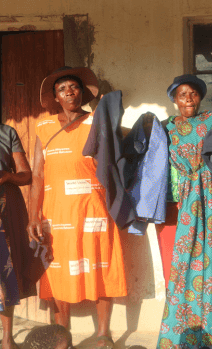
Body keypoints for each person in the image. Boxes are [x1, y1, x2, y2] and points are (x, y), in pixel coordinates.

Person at [27, 67, 127, 348]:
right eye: (62, 89)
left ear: (82, 93)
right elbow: (37, 175)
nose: (69, 92)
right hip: (56, 212)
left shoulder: (98, 121)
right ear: (55, 97)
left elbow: (113, 160)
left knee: (101, 264)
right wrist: (33, 215)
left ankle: (104, 333)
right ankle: (62, 336)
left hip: (93, 208)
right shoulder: (44, 127)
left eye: (74, 87)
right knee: (58, 269)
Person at [157, 75, 212, 349]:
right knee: (186, 259)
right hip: (189, 199)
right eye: (182, 95)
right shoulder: (165, 128)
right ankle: (187, 328)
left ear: (200, 97)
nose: (189, 99)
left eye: (193, 94)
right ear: (174, 99)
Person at [0, 124, 32, 349]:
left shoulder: (6, 132)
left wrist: (7, 175)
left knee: (4, 269)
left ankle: (7, 339)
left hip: (4, 207)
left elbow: (26, 175)